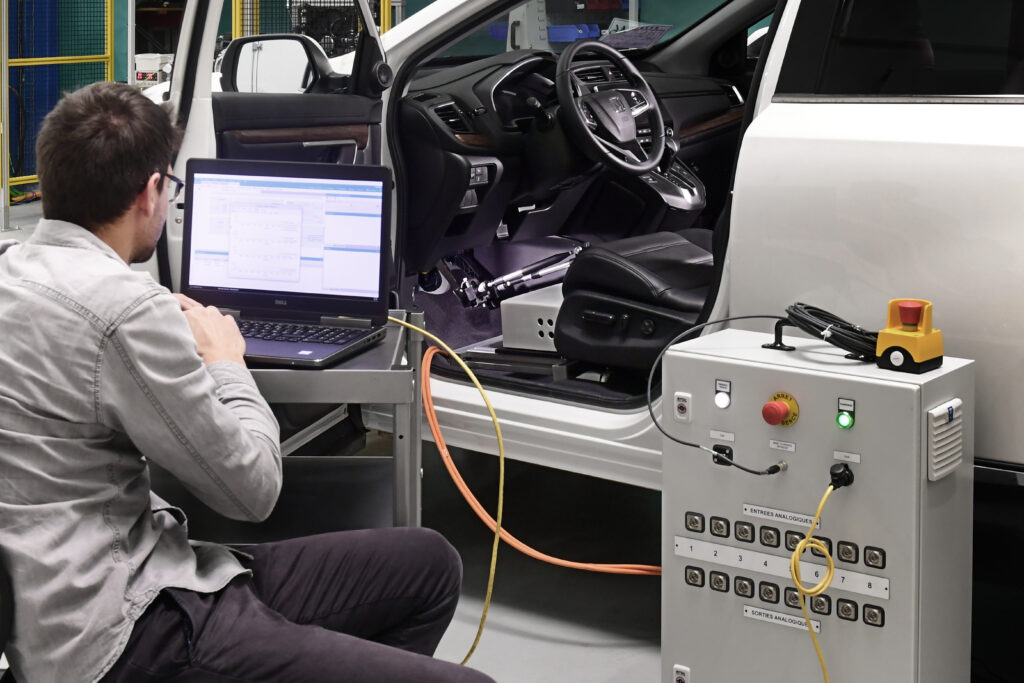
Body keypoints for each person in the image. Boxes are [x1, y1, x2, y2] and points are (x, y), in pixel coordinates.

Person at [0, 81, 495, 683]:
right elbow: (253, 492)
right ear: (152, 191)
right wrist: (226, 359)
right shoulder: (125, 311)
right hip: (126, 631)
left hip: (132, 573)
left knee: (429, 563)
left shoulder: (12, 272)